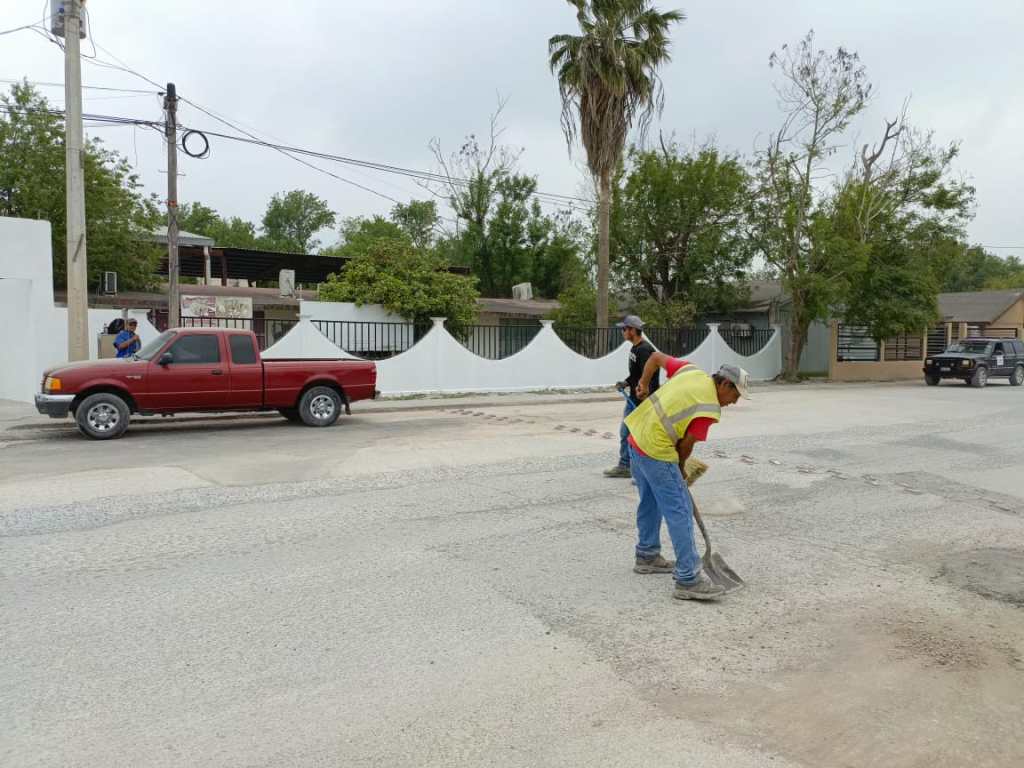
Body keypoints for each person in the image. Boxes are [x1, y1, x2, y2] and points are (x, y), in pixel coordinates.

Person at [626, 354, 751, 601]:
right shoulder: (709, 408)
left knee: (650, 502)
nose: (734, 402)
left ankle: (647, 555)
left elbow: (655, 358)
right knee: (680, 511)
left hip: (636, 437)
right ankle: (688, 579)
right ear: (725, 384)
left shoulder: (690, 370)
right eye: (735, 395)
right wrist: (680, 468)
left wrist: (643, 383)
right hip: (656, 449)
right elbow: (686, 445)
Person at [603, 315, 661, 479]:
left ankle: (635, 468)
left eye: (624, 329)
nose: (622, 332)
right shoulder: (635, 348)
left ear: (633, 330)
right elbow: (637, 375)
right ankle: (627, 466)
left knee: (636, 435)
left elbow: (648, 376)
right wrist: (626, 383)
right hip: (634, 398)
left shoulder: (644, 350)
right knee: (627, 433)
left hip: (642, 400)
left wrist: (644, 398)